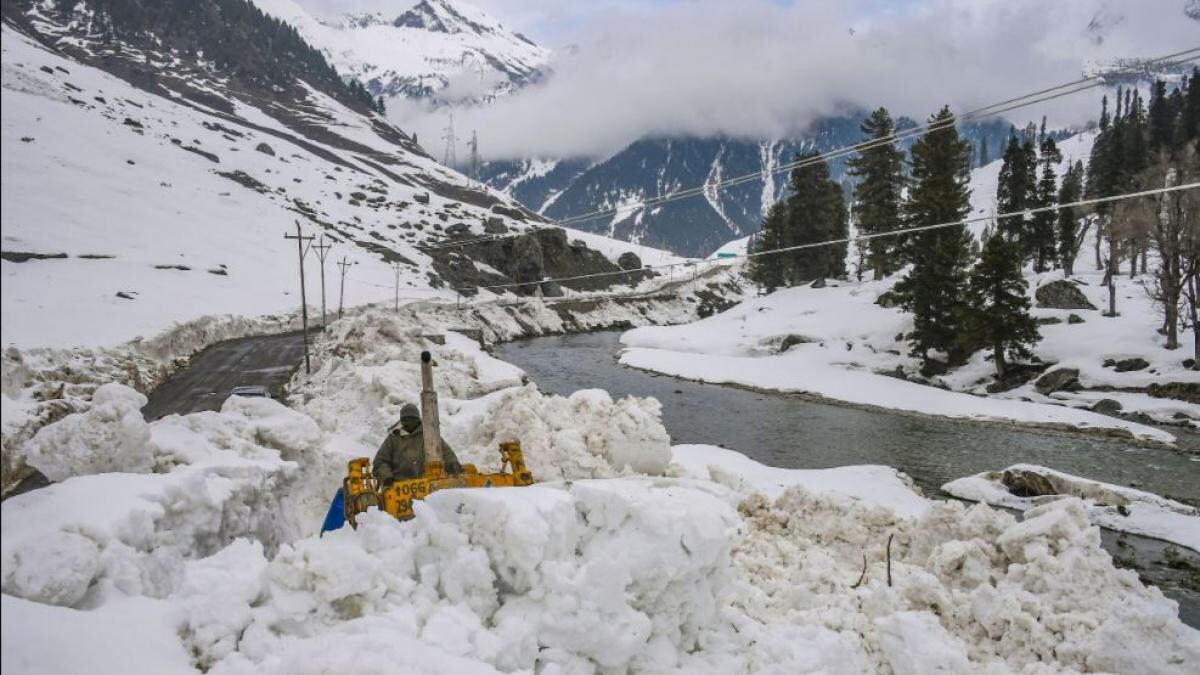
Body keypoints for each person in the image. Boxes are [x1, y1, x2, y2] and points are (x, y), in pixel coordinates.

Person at [373, 402, 462, 485]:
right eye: (406, 419)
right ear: (401, 420)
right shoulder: (393, 439)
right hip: (398, 486)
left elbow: (446, 453)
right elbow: (380, 461)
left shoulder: (429, 436)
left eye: (412, 419)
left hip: (428, 483)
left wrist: (452, 464)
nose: (409, 422)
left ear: (418, 419)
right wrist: (387, 477)